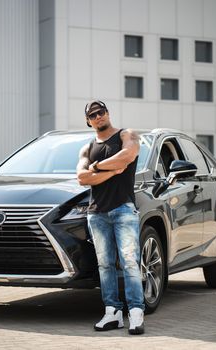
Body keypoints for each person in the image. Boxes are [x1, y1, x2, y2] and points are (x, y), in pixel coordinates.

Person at [76, 100, 145, 335]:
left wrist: (96, 168)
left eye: (101, 112)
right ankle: (112, 313)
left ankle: (136, 312)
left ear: (107, 113)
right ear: (88, 121)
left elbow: (126, 156)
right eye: (93, 115)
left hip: (124, 209)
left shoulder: (127, 134)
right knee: (105, 265)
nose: (98, 116)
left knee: (129, 262)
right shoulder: (86, 147)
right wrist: (109, 171)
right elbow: (82, 178)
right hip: (96, 213)